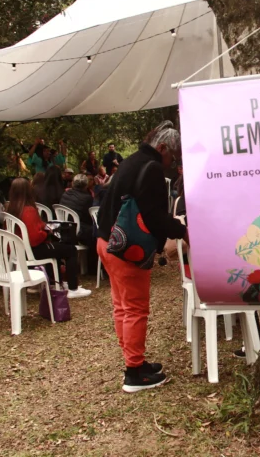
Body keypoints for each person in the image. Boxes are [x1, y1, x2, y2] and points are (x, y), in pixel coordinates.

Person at [97, 121, 186, 392]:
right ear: (161, 148)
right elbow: (155, 217)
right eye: (171, 156)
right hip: (126, 249)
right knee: (135, 308)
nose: (171, 163)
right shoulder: (152, 169)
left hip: (105, 241)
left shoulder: (131, 161)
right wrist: (182, 231)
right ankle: (134, 373)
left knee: (122, 306)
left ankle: (133, 360)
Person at [7, 178, 90, 298]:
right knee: (70, 249)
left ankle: (55, 283)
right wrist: (47, 232)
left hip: (19, 251)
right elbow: (35, 238)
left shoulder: (11, 209)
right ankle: (73, 288)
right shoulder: (28, 210)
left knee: (56, 250)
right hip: (31, 250)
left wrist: (42, 225)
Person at [60, 174, 97, 273]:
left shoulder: (65, 194)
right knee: (96, 232)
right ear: (86, 186)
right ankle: (93, 268)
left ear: (73, 183)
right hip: (78, 231)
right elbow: (88, 218)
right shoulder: (87, 198)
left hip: (64, 229)